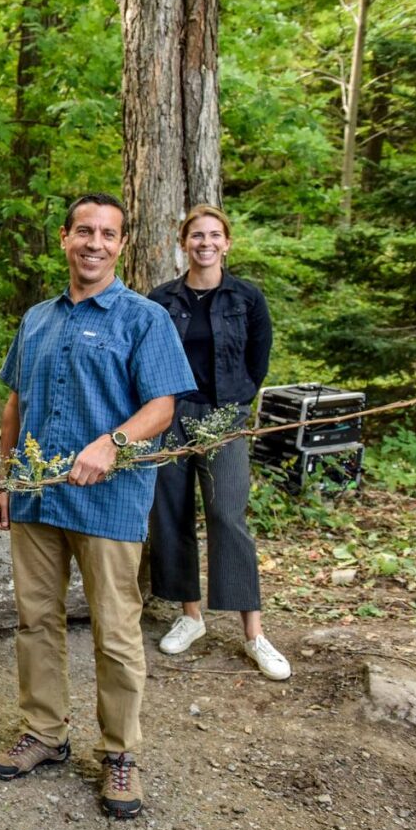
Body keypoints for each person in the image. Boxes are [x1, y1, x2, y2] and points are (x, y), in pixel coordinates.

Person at [0, 193, 194, 820]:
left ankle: (121, 753)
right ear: (64, 238)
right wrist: (4, 477)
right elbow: (15, 404)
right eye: (84, 231)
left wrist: (114, 441)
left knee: (116, 631)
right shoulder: (37, 319)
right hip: (37, 495)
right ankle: (45, 732)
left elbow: (163, 406)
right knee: (35, 621)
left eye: (107, 233)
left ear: (121, 244)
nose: (94, 243)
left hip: (109, 501)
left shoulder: (143, 318)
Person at [147, 206, 287, 680]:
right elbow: (148, 357)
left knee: (228, 513)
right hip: (170, 416)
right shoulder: (161, 300)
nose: (204, 243)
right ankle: (190, 616)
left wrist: (237, 404)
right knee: (171, 512)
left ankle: (254, 633)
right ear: (183, 243)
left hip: (225, 416)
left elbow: (258, 360)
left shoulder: (247, 298)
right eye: (196, 236)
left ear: (226, 243)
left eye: (213, 236)